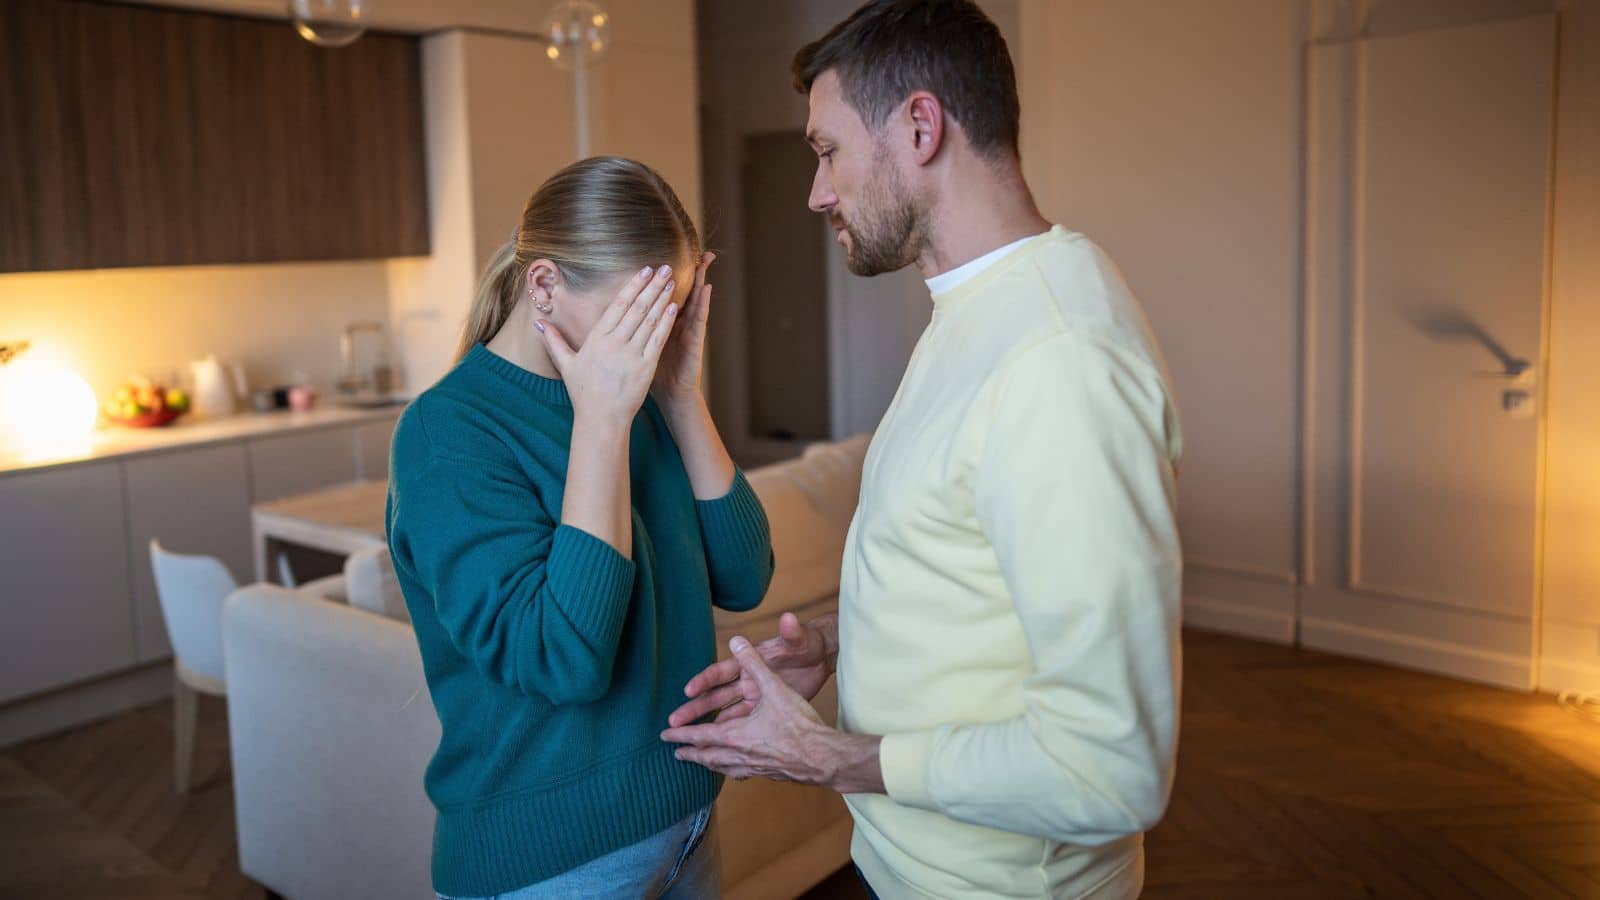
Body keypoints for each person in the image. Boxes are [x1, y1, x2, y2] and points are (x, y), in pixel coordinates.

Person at [660, 2, 1184, 897]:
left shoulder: (1059, 363)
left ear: (920, 124)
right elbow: (979, 567)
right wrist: (845, 641)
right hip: (906, 865)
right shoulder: (979, 309)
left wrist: (829, 757)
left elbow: (1112, 769)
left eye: (826, 152)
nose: (815, 193)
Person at [387, 156, 774, 900]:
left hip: (685, 820)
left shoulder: (639, 393)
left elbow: (744, 574)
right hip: (553, 863)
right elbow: (562, 659)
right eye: (635, 317)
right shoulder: (449, 434)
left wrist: (682, 399)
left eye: (668, 315)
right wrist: (602, 423)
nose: (650, 343)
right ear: (543, 285)